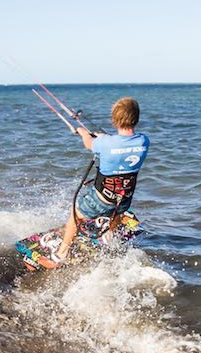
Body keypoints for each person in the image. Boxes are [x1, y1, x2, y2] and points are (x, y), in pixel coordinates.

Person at [55, 97, 149, 261]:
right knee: (117, 211)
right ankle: (109, 236)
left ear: (114, 120)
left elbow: (89, 144)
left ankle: (61, 253)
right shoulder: (143, 141)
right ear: (136, 119)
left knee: (75, 216)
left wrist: (83, 132)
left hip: (101, 198)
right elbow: (120, 144)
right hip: (124, 197)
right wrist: (103, 137)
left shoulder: (105, 143)